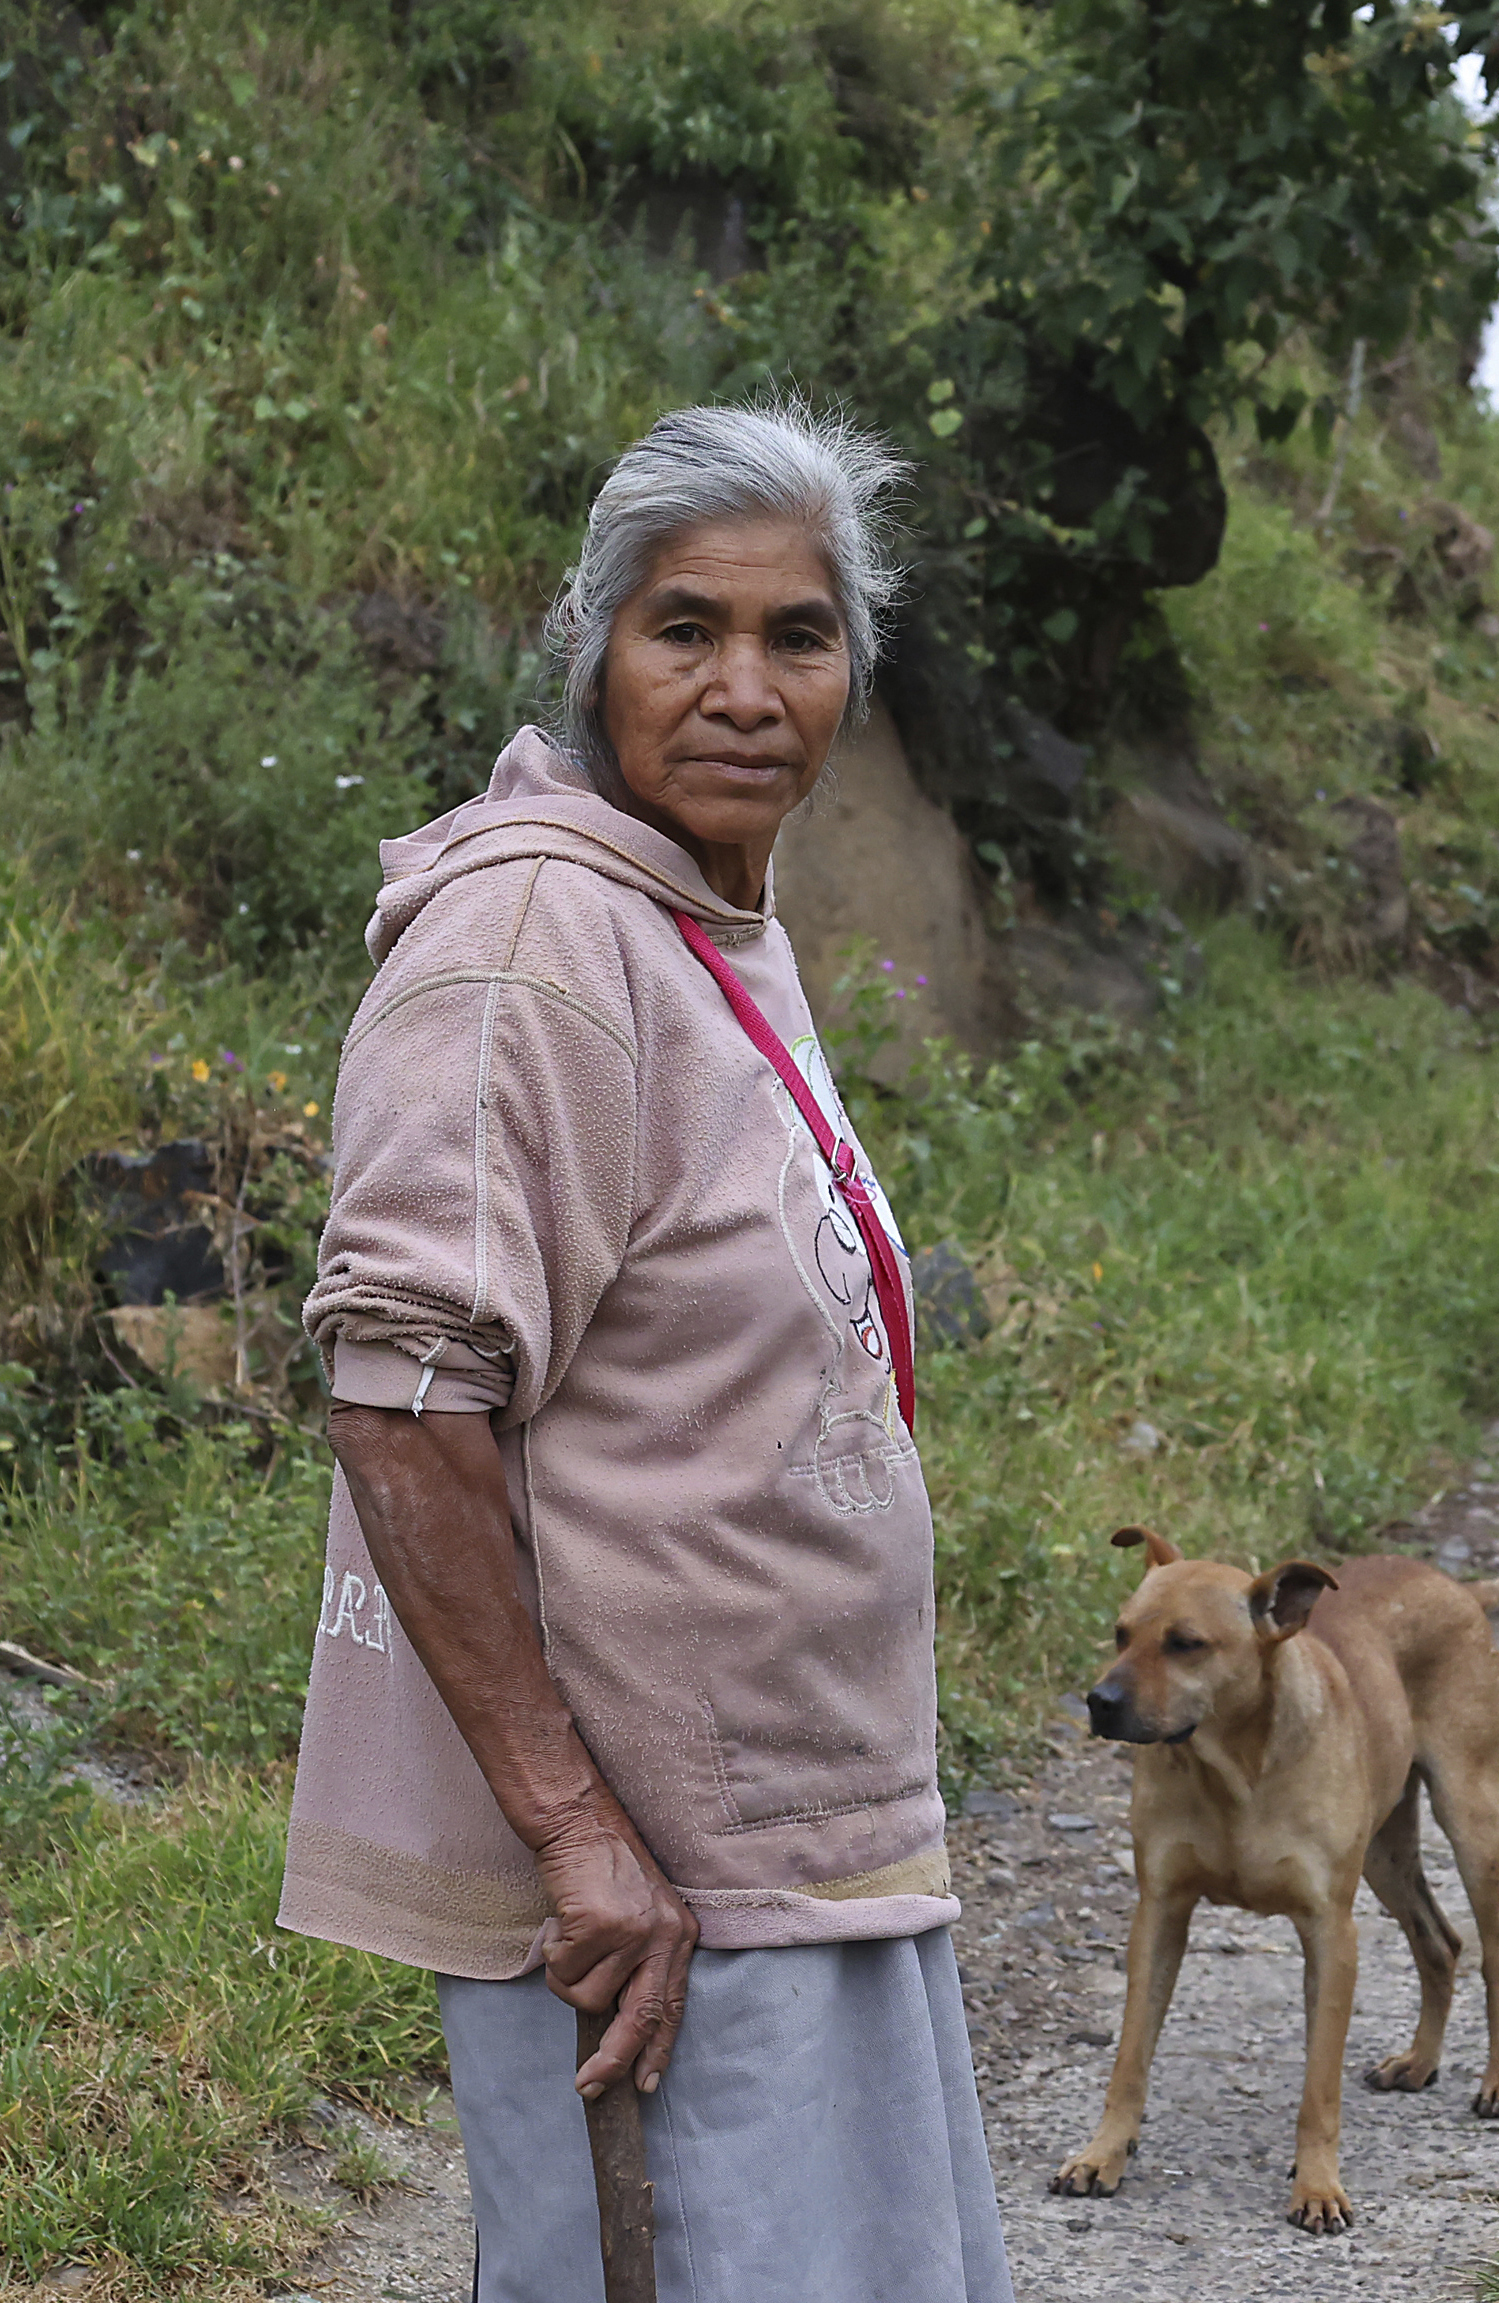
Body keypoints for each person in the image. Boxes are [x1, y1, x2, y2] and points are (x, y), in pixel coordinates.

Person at [281, 403, 1013, 2302]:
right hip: (653, 1902)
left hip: (795, 1843)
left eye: (802, 635)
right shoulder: (526, 952)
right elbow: (402, 1393)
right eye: (686, 630)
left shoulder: (699, 924)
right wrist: (578, 1835)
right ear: (595, 651)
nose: (746, 687)